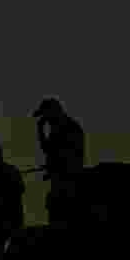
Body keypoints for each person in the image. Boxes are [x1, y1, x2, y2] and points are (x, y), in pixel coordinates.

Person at [34, 97, 86, 227]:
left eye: (45, 115)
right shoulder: (57, 128)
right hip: (60, 180)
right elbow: (49, 150)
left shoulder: (69, 128)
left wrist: (55, 165)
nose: (45, 119)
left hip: (70, 182)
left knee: (64, 216)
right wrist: (40, 131)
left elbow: (68, 156)